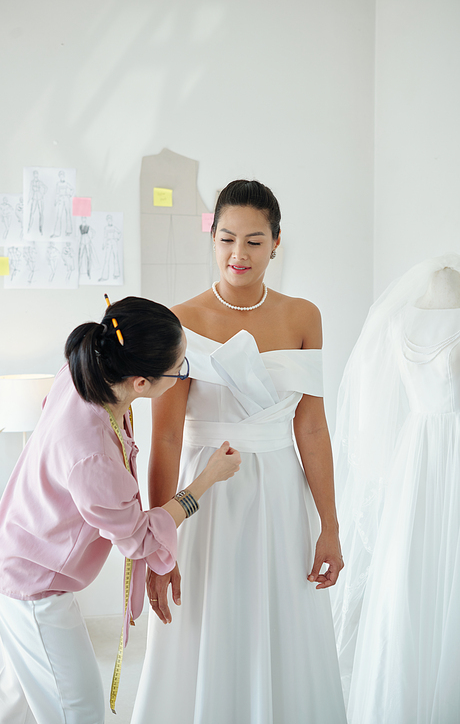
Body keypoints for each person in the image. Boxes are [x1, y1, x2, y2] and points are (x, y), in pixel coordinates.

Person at [131, 180, 347, 724]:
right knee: (208, 622)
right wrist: (160, 543)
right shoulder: (179, 320)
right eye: (227, 238)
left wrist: (331, 525)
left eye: (254, 241)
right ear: (212, 238)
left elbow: (313, 430)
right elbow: (165, 437)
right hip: (206, 497)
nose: (238, 254)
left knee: (280, 624)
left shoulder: (304, 317)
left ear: (276, 243)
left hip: (278, 495)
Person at [0, 296, 240, 724]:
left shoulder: (83, 373)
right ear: (141, 383)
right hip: (30, 585)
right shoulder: (94, 454)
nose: (182, 375)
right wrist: (205, 480)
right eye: (180, 369)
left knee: (16, 704)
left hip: (8, 555)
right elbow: (138, 538)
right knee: (78, 710)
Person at [331, 254, 460, 723]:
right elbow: (374, 408)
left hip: (444, 452)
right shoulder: (396, 322)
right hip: (422, 458)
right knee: (415, 564)